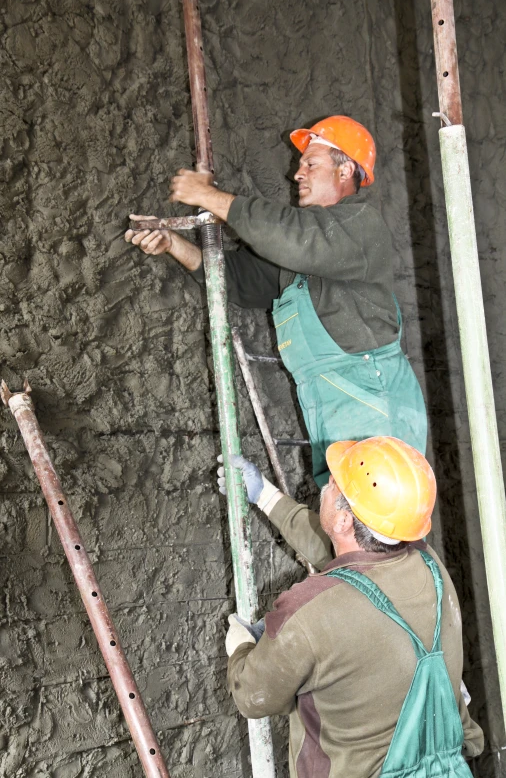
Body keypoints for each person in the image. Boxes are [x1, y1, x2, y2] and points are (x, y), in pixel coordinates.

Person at [125, 116, 427, 486]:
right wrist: (174, 244)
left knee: (382, 525)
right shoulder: (303, 254)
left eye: (310, 164)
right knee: (346, 528)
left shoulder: (361, 223)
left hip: (373, 403)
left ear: (345, 170)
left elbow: (294, 236)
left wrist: (208, 196)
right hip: (328, 407)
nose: (297, 174)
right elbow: (237, 280)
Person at [219, 440, 484, 777]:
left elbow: (254, 696)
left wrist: (240, 645)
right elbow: (349, 558)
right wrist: (265, 496)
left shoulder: (311, 610)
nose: (326, 486)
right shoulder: (431, 567)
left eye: (332, 484)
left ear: (344, 521)